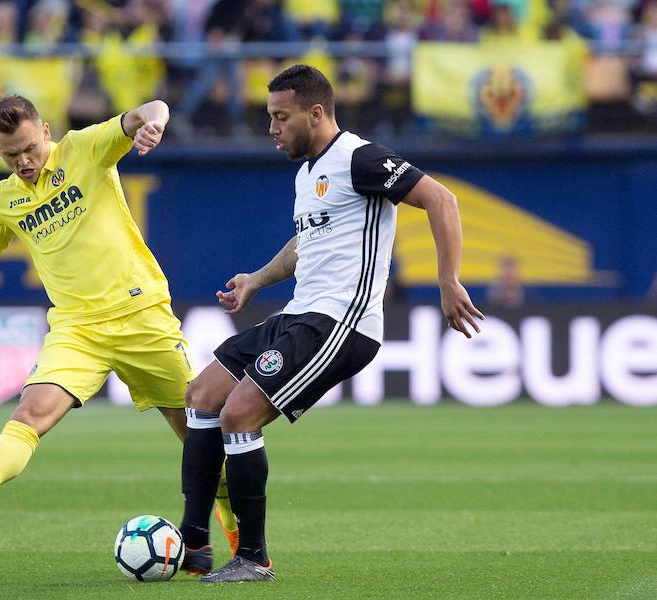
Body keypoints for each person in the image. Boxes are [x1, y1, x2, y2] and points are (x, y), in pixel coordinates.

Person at [178, 64, 484, 583]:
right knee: (202, 396)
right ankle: (193, 543)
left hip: (341, 320)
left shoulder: (359, 158)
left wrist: (448, 280)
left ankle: (253, 557)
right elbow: (306, 245)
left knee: (239, 415)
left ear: (316, 113)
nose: (272, 128)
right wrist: (257, 278)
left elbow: (441, 198)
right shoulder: (308, 173)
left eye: (280, 117)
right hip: (297, 313)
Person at [0, 95, 239, 556]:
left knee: (196, 433)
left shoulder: (85, 149)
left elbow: (151, 107)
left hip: (140, 316)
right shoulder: (6, 199)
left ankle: (229, 530)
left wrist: (155, 125)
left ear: (45, 131)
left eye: (29, 148)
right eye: (9, 155)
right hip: (77, 330)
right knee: (29, 414)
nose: (23, 161)